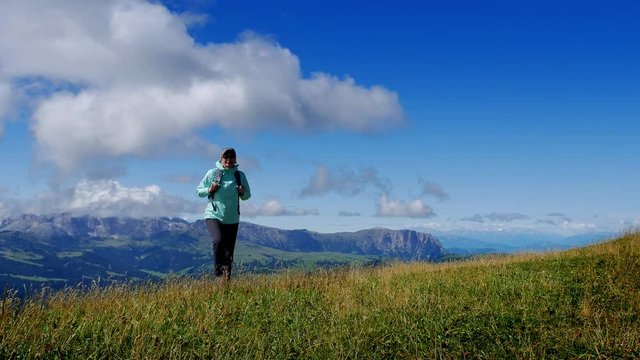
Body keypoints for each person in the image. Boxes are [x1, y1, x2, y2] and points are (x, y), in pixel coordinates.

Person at [197, 147, 251, 280]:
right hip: (214, 215)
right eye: (226, 157)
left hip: (232, 218)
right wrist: (210, 189)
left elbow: (247, 196)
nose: (228, 160)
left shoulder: (239, 175)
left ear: (235, 160)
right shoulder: (213, 173)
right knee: (218, 240)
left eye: (231, 157)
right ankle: (217, 275)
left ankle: (225, 283)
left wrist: (242, 191)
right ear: (221, 159)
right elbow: (199, 191)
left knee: (229, 252)